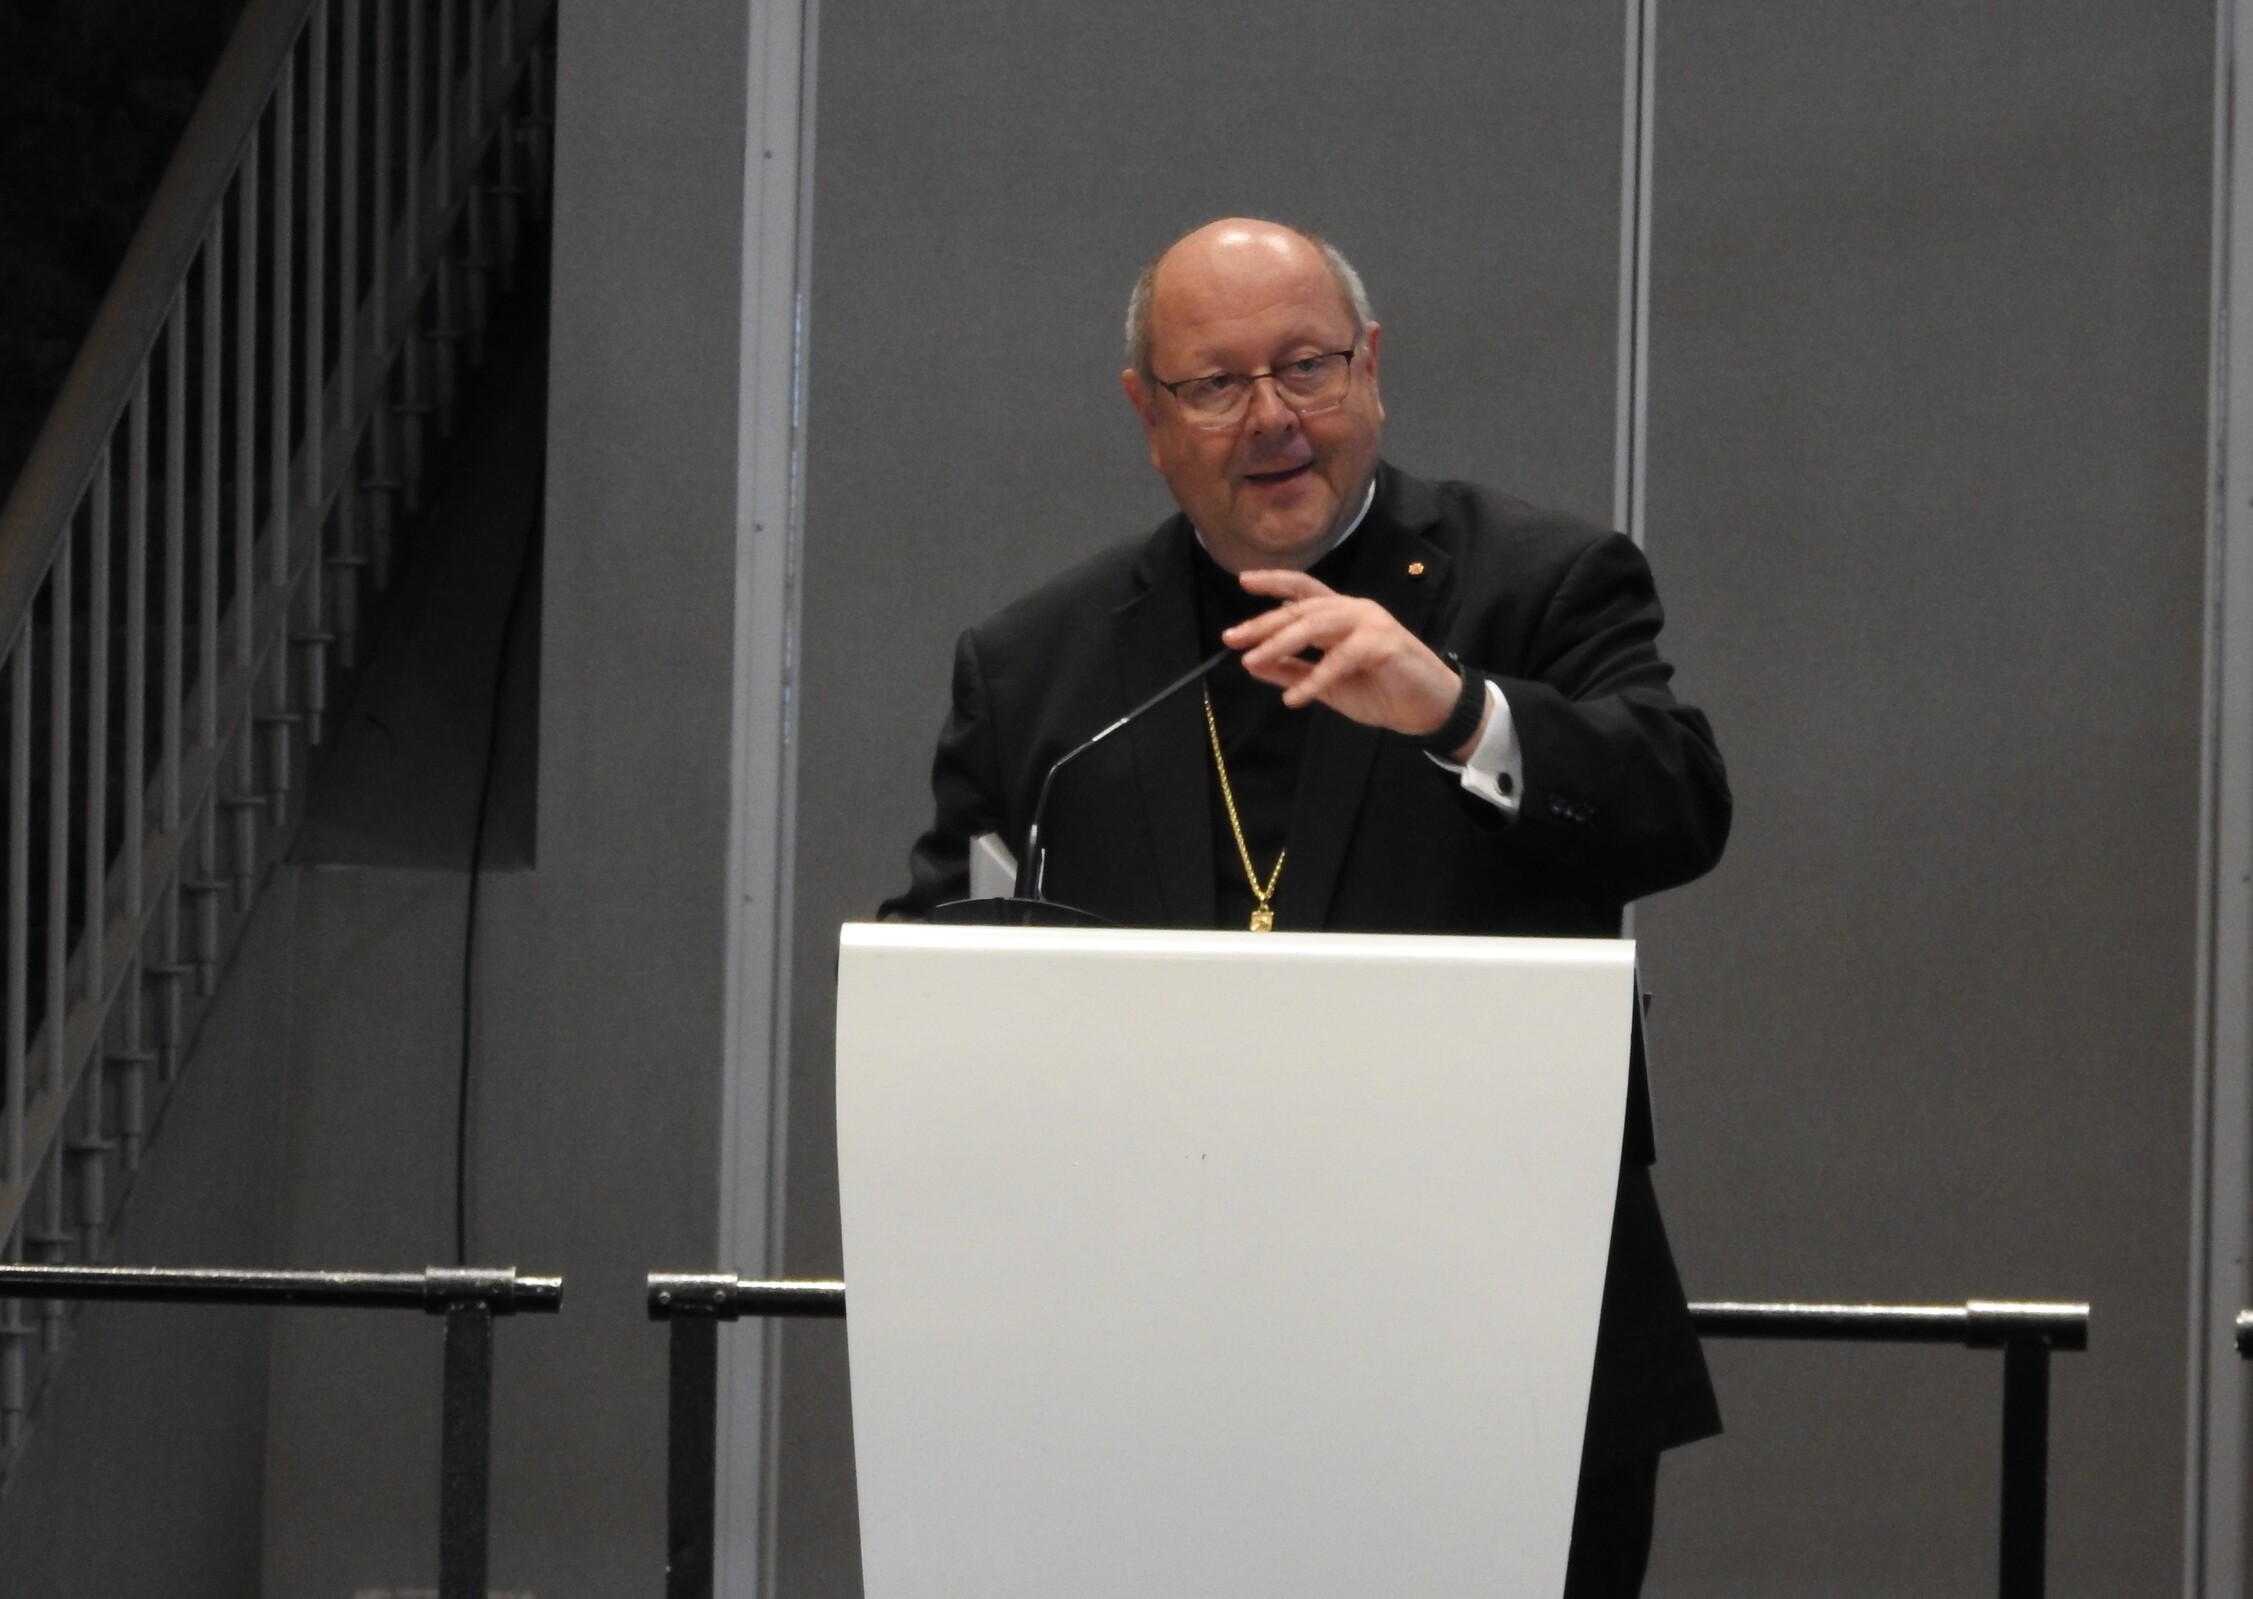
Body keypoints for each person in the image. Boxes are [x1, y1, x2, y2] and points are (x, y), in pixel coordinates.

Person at [883, 216, 1730, 1596]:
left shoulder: (1539, 584)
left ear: (1371, 367)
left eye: (1307, 368)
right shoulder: (1038, 666)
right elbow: (941, 969)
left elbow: (1677, 806)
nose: (1272, 416)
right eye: (1216, 384)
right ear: (1147, 415)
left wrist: (1457, 711)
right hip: (1143, 1370)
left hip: (1492, 1346)